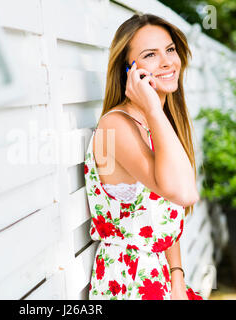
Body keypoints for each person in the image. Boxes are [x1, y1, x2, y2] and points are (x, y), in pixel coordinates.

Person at [84, 13, 203, 300]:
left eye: (170, 49)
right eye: (150, 55)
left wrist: (177, 278)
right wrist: (152, 108)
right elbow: (184, 194)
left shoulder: (157, 123)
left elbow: (163, 214)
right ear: (129, 69)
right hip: (130, 280)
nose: (167, 62)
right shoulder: (116, 126)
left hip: (161, 275)